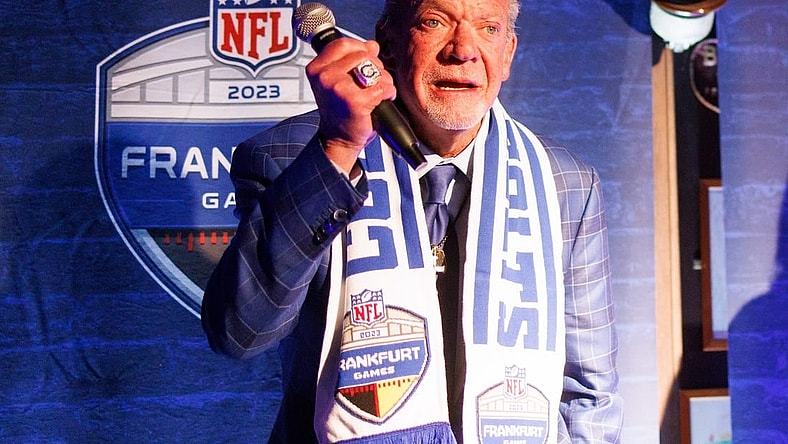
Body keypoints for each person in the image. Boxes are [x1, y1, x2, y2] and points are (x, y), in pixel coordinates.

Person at [201, 0, 624, 442]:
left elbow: (589, 393)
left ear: (508, 54)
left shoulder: (566, 185)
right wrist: (340, 147)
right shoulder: (291, 156)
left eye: (488, 28)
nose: (463, 50)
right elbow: (239, 332)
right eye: (435, 22)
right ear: (388, 43)